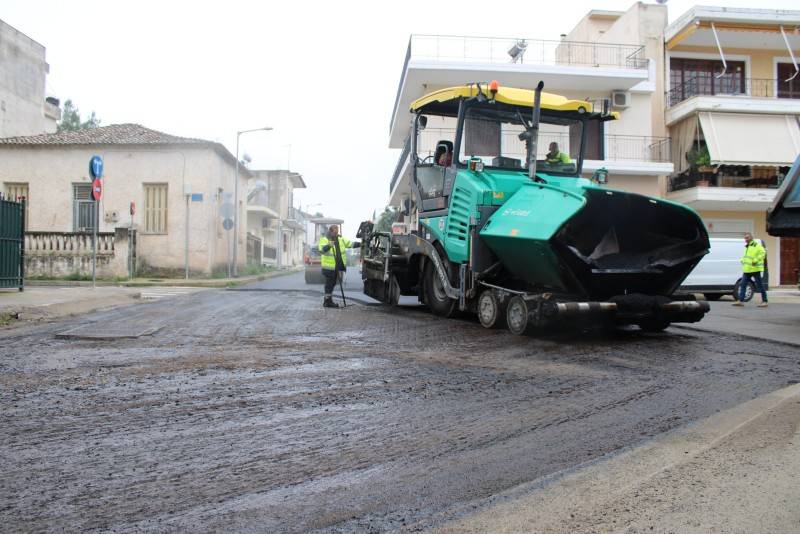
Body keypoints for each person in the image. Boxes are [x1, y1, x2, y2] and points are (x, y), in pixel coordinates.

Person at [318, 225, 359, 308]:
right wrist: (329, 245)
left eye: (337, 232)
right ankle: (327, 302)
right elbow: (321, 250)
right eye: (335, 232)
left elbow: (350, 244)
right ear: (330, 231)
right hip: (328, 267)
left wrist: (361, 244)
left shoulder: (340, 239)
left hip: (337, 266)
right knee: (329, 284)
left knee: (332, 283)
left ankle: (328, 300)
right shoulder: (324, 239)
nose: (336, 234)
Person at [733, 232, 768, 308]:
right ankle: (740, 301)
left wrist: (756, 260)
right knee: (743, 284)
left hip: (755, 269)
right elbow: (747, 256)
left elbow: (763, 253)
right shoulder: (747, 247)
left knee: (760, 286)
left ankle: (765, 301)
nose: (746, 239)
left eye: (747, 237)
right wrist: (742, 260)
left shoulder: (756, 245)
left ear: (751, 238)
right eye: (745, 238)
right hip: (747, 269)